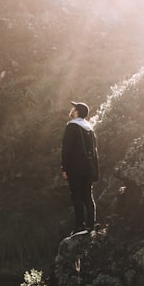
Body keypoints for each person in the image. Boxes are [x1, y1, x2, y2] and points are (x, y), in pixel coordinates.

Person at [60, 100, 99, 234]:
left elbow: (67, 149)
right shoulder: (89, 128)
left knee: (76, 196)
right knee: (88, 196)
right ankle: (91, 225)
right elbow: (94, 151)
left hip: (75, 168)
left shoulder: (72, 126)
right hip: (88, 168)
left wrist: (64, 168)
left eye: (73, 109)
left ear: (76, 112)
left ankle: (79, 226)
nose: (71, 110)